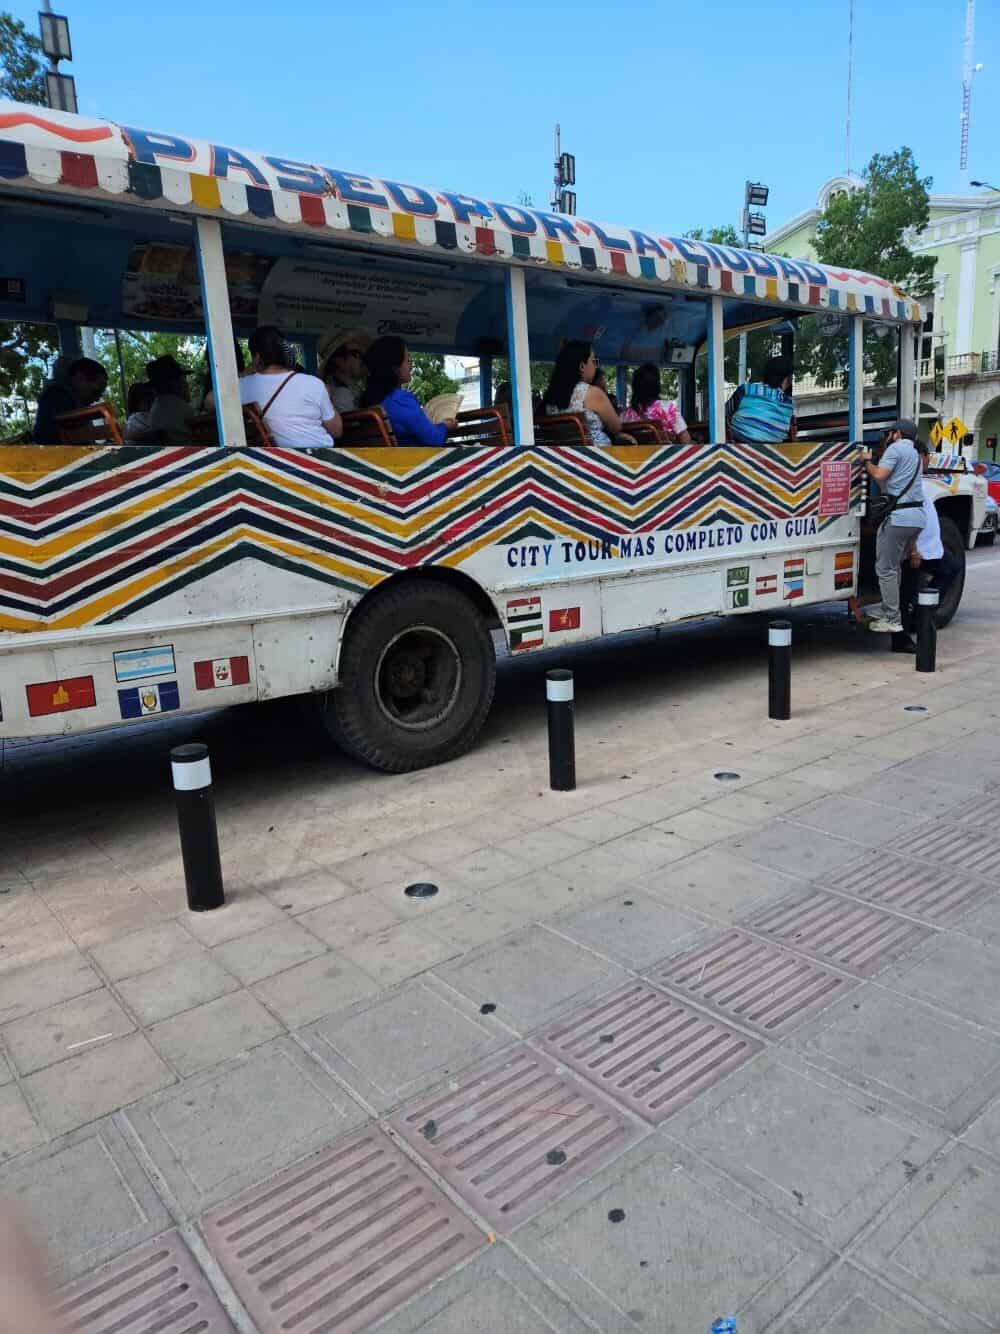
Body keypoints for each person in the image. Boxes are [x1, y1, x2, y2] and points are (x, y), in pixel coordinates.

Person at [891, 438, 963, 653]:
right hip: (919, 550)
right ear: (918, 457)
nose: (927, 461)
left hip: (926, 548)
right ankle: (912, 624)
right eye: (925, 457)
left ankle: (910, 624)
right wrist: (913, 549)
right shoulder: (908, 481)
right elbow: (909, 517)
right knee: (944, 572)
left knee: (909, 590)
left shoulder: (912, 479)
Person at [858, 418, 926, 634]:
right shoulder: (915, 454)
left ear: (897, 433)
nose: (887, 437)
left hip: (899, 518)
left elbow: (878, 475)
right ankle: (889, 610)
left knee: (885, 568)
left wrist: (866, 461)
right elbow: (887, 483)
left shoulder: (896, 449)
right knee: (894, 567)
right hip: (916, 517)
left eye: (890, 433)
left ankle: (892, 618)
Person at [240, 325, 341, 449]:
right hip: (320, 458)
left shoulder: (241, 386)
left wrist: (247, 371)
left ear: (256, 358)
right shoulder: (313, 383)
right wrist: (328, 396)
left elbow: (210, 401)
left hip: (275, 460)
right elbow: (336, 431)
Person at [360, 336, 455, 445]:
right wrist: (445, 426)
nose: (411, 364)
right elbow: (435, 439)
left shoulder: (369, 401)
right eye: (407, 360)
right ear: (395, 368)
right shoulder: (401, 400)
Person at [540, 341, 630, 446]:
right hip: (598, 456)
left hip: (564, 457)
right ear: (582, 366)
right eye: (594, 362)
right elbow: (616, 427)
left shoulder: (550, 398)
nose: (596, 367)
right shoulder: (592, 393)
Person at [32, 356, 107, 443]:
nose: (97, 399)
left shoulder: (65, 399)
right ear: (79, 378)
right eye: (96, 392)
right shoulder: (59, 398)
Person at [726, 356, 797, 444]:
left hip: (737, 445)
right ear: (787, 379)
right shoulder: (788, 404)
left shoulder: (746, 390)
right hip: (769, 451)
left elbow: (725, 414)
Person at [622, 363, 693, 443]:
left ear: (635, 387)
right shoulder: (668, 409)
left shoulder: (626, 414)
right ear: (657, 385)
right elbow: (686, 440)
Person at [147, 354, 195, 445]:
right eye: (183, 379)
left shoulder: (156, 406)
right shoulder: (180, 407)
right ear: (175, 383)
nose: (187, 383)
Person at [319, 329, 370, 413]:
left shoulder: (351, 389)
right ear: (338, 360)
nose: (362, 358)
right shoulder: (341, 394)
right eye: (356, 353)